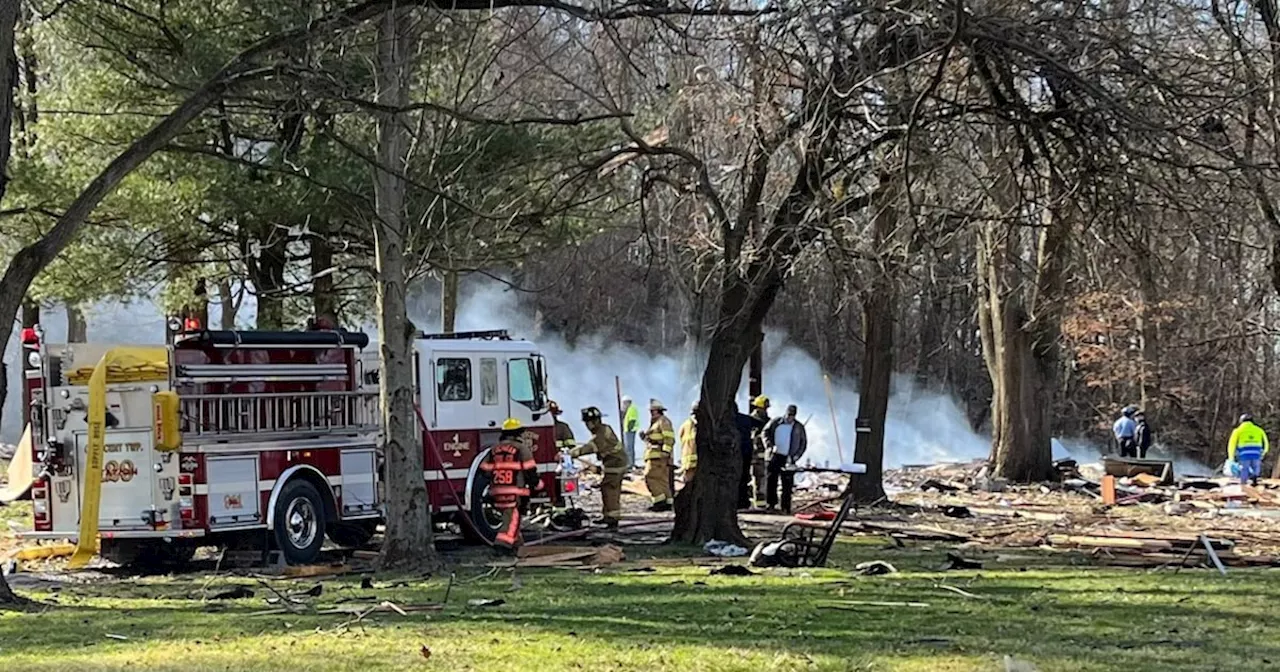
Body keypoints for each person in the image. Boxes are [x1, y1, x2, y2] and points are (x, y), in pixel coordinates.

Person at [479, 418, 540, 551]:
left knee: (511, 519)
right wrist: (537, 486)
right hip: (515, 492)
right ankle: (502, 546)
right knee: (512, 519)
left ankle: (518, 546)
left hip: (496, 491)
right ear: (518, 433)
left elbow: (484, 470)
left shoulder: (494, 449)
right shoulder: (521, 449)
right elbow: (530, 471)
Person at [570, 407, 627, 528]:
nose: (587, 425)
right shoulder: (603, 429)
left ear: (592, 422)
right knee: (607, 488)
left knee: (609, 489)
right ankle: (608, 516)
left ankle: (612, 518)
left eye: (587, 422)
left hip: (615, 463)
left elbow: (592, 446)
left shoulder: (601, 432)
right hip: (613, 463)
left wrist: (572, 453)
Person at [763, 404, 808, 514]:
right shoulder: (776, 422)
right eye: (788, 415)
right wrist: (769, 446)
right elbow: (765, 433)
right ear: (785, 413)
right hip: (774, 455)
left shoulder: (799, 427)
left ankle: (786, 507)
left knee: (787, 484)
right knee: (771, 480)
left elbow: (803, 443)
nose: (790, 418)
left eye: (792, 416)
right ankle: (771, 504)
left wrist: (796, 456)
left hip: (789, 458)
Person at [642, 398, 676, 511]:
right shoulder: (656, 422)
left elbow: (669, 438)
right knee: (662, 479)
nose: (651, 413)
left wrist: (665, 452)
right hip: (655, 455)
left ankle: (659, 502)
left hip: (658, 456)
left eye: (653, 411)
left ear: (658, 411)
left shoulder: (663, 421)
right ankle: (667, 501)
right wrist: (645, 437)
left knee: (650, 476)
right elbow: (655, 437)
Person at [1228, 413, 1269, 486]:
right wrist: (1264, 452)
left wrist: (1231, 457)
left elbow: (1232, 444)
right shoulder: (1259, 430)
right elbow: (1266, 442)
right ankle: (1254, 479)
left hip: (1244, 453)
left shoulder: (1238, 430)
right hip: (1256, 453)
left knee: (1245, 469)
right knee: (1256, 467)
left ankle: (1243, 483)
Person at [748, 395, 772, 508]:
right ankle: (759, 504)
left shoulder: (768, 422)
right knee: (757, 480)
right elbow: (752, 439)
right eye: (764, 408)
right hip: (756, 456)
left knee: (765, 480)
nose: (765, 411)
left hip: (766, 456)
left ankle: (763, 503)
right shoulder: (752, 421)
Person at [736, 403, 757, 509]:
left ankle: (738, 502)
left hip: (735, 452)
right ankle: (743, 502)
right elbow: (761, 424)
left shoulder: (728, 419)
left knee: (736, 478)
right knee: (744, 477)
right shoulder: (746, 418)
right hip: (747, 451)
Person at [679, 401, 698, 486]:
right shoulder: (700, 425)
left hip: (686, 460)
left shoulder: (684, 424)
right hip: (697, 460)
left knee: (688, 483)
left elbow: (681, 438)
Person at [622, 395, 640, 469]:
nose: (624, 405)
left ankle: (630, 464)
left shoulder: (632, 409)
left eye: (624, 403)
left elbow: (632, 420)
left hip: (630, 431)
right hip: (628, 430)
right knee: (628, 447)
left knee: (629, 448)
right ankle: (629, 463)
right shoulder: (629, 409)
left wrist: (629, 428)